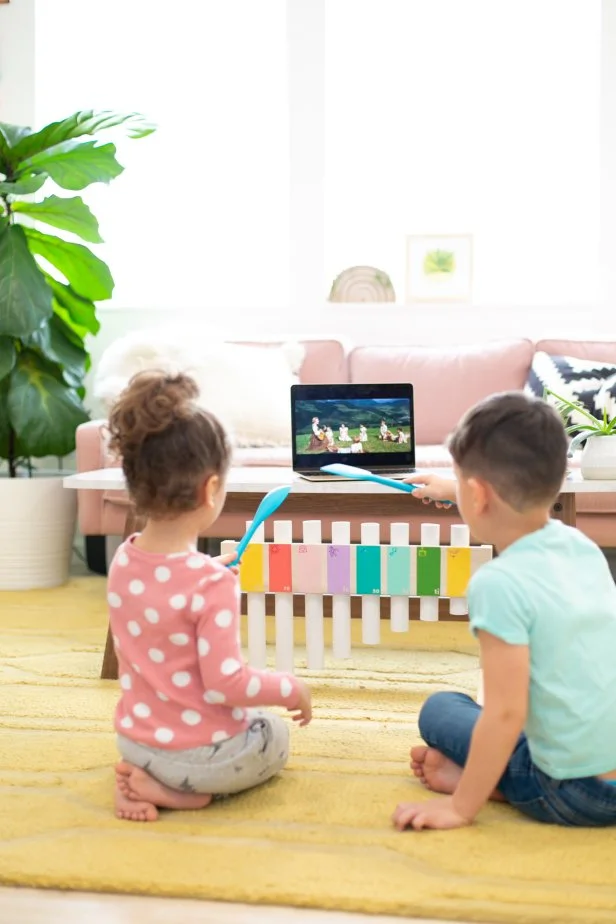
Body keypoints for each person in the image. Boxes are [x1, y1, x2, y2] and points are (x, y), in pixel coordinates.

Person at [393, 391, 616, 831]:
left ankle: (497, 784)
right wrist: (453, 489)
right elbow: (507, 513)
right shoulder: (581, 547)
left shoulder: (498, 584)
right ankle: (499, 775)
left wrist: (460, 807)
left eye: (459, 484)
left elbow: (506, 713)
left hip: (574, 793)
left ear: (476, 495)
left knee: (440, 709)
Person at [106, 370, 312, 823]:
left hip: (135, 741)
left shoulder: (124, 560)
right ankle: (178, 791)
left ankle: (146, 776)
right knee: (272, 735)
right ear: (211, 489)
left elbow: (165, 602)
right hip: (198, 756)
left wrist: (207, 568)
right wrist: (290, 688)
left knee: (248, 722)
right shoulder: (211, 586)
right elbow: (226, 684)